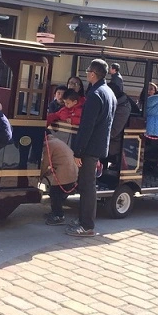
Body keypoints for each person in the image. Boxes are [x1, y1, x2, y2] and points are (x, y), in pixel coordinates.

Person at [67, 59, 116, 237]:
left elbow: (87, 126)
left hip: (89, 147)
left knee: (87, 186)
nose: (86, 74)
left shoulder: (95, 94)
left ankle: (86, 225)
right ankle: (83, 220)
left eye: (88, 71)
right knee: (88, 184)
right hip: (99, 145)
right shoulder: (109, 92)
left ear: (93, 74)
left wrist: (78, 151)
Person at [42, 134, 78, 226]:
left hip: (64, 175)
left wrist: (39, 175)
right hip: (72, 173)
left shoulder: (48, 144)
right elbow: (60, 160)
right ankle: (55, 213)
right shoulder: (57, 141)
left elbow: (45, 163)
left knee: (54, 194)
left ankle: (59, 216)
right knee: (57, 195)